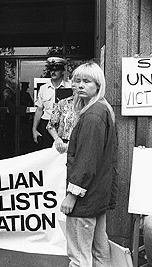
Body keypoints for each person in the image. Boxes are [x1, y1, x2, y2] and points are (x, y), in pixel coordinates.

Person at [60, 62, 118, 267]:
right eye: (77, 81)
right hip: (97, 196)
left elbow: (87, 160)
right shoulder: (102, 110)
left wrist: (72, 194)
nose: (80, 85)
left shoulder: (92, 115)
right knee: (99, 251)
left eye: (87, 81)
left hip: (85, 199)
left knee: (79, 256)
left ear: (98, 84)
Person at [32, 57, 71, 150]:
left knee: (63, 154)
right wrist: (34, 129)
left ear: (62, 71)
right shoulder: (43, 88)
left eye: (56, 69)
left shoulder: (70, 87)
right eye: (51, 70)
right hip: (46, 125)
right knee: (46, 154)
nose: (53, 72)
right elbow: (39, 110)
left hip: (64, 125)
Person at [46, 82, 77, 154]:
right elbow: (50, 126)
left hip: (81, 147)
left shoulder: (90, 106)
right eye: (76, 82)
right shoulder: (62, 103)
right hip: (62, 146)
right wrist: (57, 139)